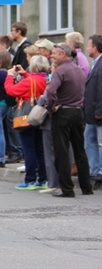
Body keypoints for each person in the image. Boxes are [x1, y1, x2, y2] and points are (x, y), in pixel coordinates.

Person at [44, 43, 93, 198]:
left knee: (62, 150)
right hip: (78, 112)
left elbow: (51, 91)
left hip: (63, 112)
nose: (52, 56)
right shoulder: (78, 70)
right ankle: (86, 187)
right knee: (80, 149)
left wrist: (51, 107)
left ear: (63, 54)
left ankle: (67, 189)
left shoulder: (60, 71)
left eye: (55, 54)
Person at [4, 56, 49, 190]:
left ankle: (29, 179)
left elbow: (11, 90)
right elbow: (34, 82)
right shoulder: (44, 79)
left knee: (29, 149)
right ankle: (43, 178)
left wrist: (9, 76)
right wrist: (25, 74)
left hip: (27, 116)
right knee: (40, 149)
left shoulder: (29, 81)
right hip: (41, 116)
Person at [84, 35, 102, 186]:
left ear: (95, 48)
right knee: (89, 140)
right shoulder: (95, 63)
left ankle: (99, 172)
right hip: (91, 113)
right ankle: (94, 171)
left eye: (89, 45)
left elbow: (101, 89)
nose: (87, 48)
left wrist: (99, 110)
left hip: (98, 113)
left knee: (100, 143)